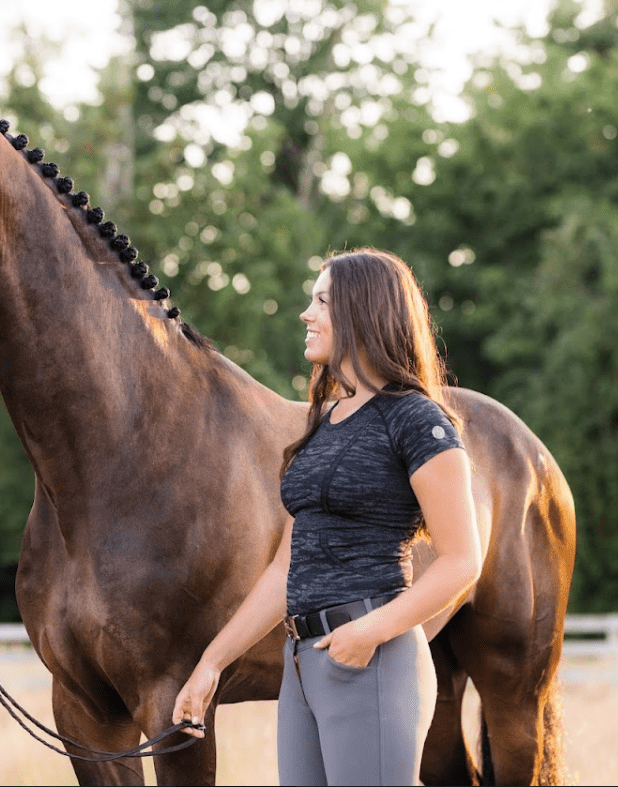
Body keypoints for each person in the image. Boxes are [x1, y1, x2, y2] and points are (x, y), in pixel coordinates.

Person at [171, 248, 482, 786]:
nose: (306, 315)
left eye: (321, 301)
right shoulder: (326, 422)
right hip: (302, 662)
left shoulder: (417, 421)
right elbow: (283, 571)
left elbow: (461, 561)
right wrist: (212, 664)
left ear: (362, 311)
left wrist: (368, 634)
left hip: (371, 659)